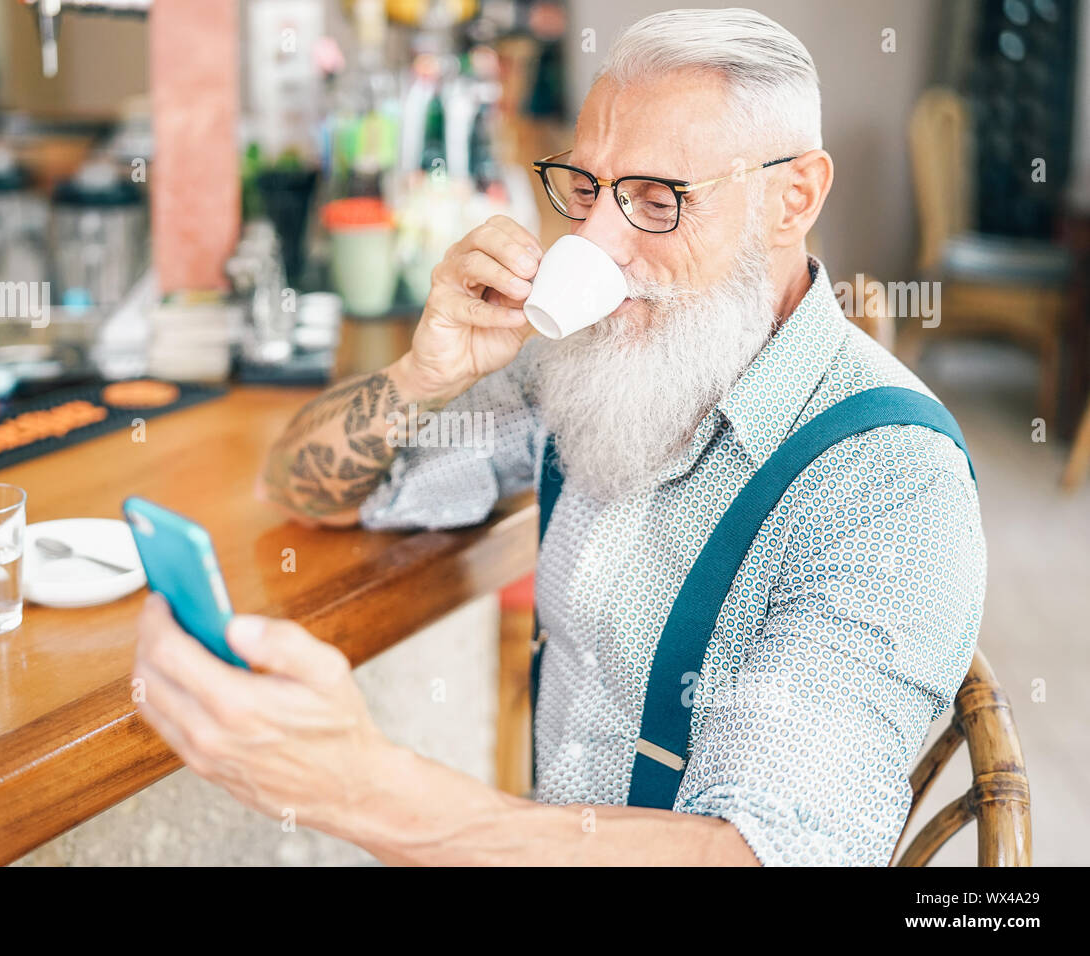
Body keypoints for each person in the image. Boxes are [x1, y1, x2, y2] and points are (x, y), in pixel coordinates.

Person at [134, 7, 985, 866]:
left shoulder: (891, 481)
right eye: (584, 190)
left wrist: (361, 791)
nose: (596, 242)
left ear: (791, 198)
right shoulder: (591, 362)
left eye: (656, 200)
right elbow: (299, 488)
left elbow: (761, 854)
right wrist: (425, 375)